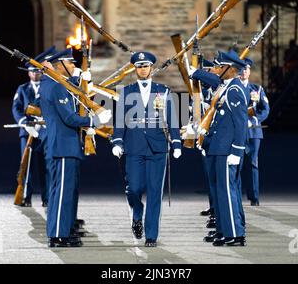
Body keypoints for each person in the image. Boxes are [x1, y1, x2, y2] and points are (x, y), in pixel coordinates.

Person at [39, 48, 111, 248]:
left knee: (61, 191)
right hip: (63, 145)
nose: (73, 66)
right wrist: (94, 120)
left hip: (63, 145)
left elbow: (72, 92)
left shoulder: (54, 84)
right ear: (59, 65)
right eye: (70, 63)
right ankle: (58, 235)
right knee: (62, 192)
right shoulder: (56, 87)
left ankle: (60, 230)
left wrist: (79, 81)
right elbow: (69, 117)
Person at [111, 52, 182, 247]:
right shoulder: (126, 91)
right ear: (135, 69)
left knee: (154, 192)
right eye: (139, 66)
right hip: (133, 147)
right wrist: (117, 141)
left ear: (151, 68)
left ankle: (151, 235)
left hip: (157, 148)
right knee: (133, 189)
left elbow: (172, 118)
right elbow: (119, 120)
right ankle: (136, 212)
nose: (142, 69)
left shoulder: (163, 91)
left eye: (145, 66)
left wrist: (176, 143)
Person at [190, 50, 249, 246]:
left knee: (227, 192)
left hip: (227, 150)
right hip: (218, 147)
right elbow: (217, 120)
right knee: (219, 193)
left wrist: (237, 151)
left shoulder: (234, 90)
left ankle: (235, 234)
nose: (215, 70)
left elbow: (240, 124)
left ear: (229, 70)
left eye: (218, 67)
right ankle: (224, 231)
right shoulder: (225, 88)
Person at [12, 46, 56, 207]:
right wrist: (24, 122)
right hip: (28, 132)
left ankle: (47, 198)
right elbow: (16, 108)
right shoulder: (23, 89)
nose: (35, 74)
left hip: (44, 132)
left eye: (38, 71)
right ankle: (25, 196)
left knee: (45, 167)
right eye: (32, 71)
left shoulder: (48, 88)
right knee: (26, 166)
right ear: (28, 73)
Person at [239, 58, 270, 206]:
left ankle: (254, 197)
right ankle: (236, 195)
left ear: (249, 71)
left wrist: (257, 118)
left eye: (246, 69)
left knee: (253, 163)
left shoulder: (257, 89)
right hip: (238, 131)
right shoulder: (234, 88)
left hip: (253, 132)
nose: (244, 72)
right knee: (236, 164)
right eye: (241, 69)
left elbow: (265, 108)